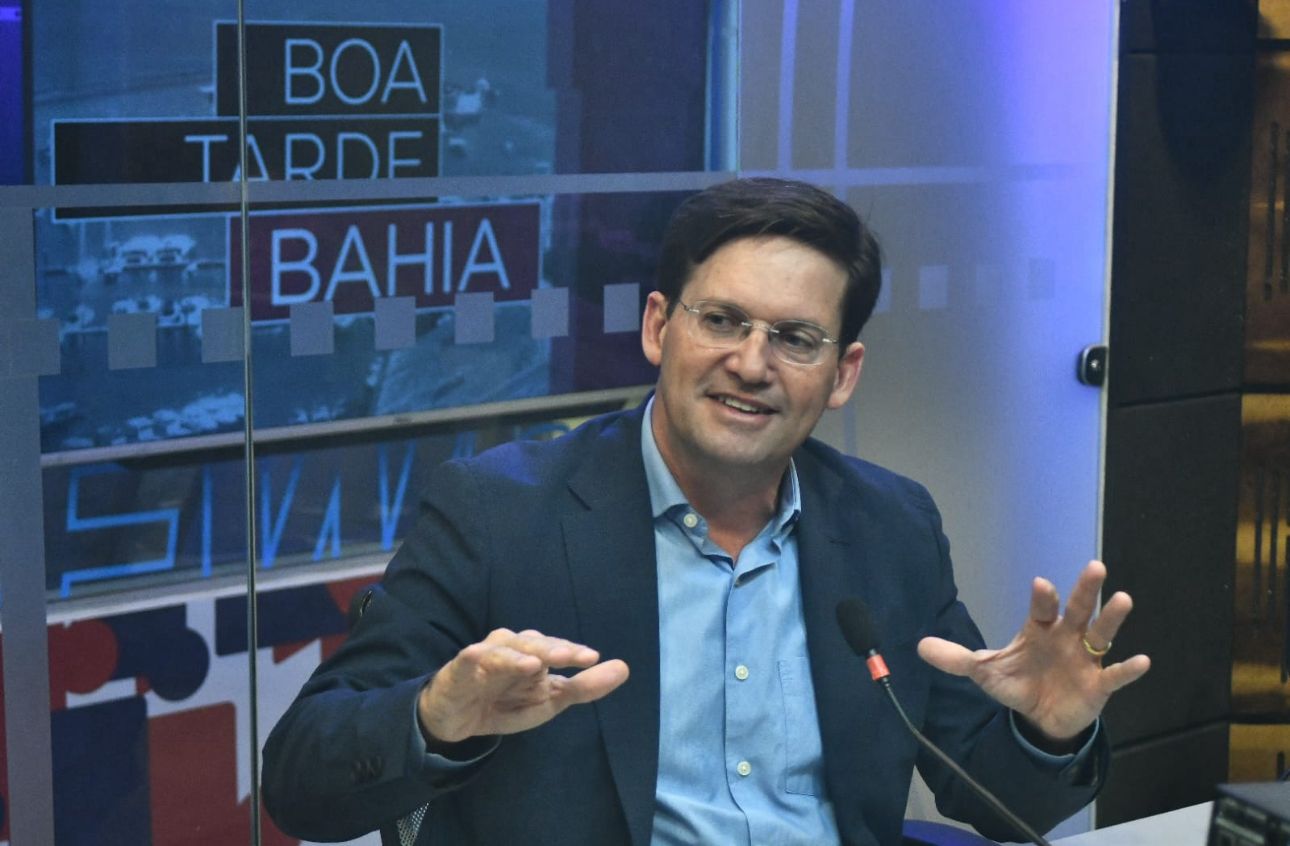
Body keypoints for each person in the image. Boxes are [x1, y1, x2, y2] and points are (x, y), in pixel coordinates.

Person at [262, 178, 1151, 846]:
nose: (751, 364)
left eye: (795, 339)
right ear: (659, 328)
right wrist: (432, 719)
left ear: (842, 374)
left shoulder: (890, 526)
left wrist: (1048, 731)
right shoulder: (499, 512)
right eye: (722, 321)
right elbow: (301, 780)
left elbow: (1000, 801)